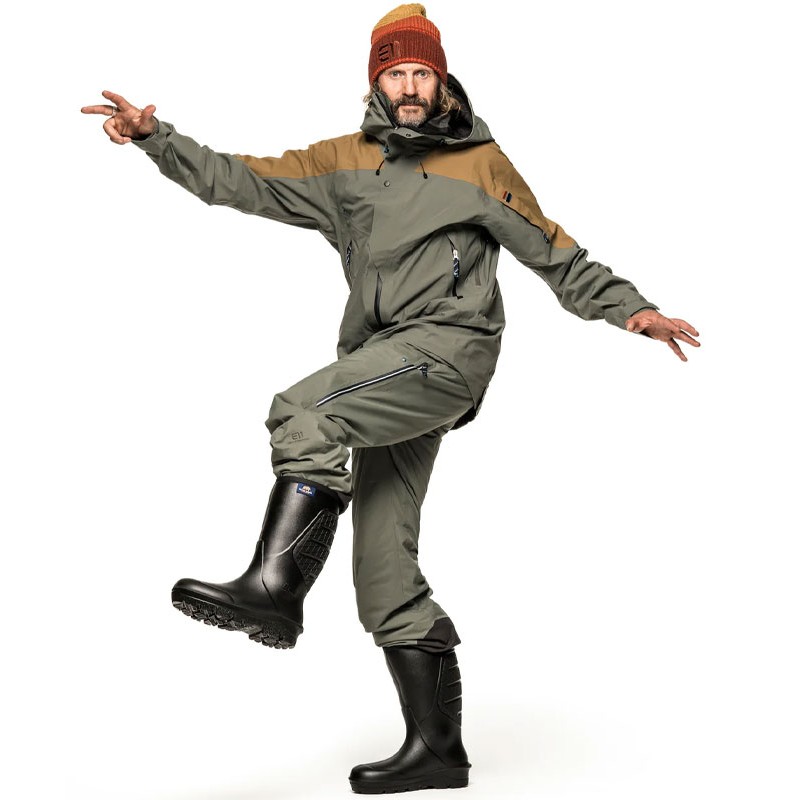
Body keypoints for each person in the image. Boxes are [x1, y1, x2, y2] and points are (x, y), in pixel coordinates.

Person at [81, 3, 699, 793]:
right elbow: (241, 180)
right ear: (377, 83)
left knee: (304, 413)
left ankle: (275, 587)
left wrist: (631, 309)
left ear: (442, 83)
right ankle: (438, 750)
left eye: (421, 74)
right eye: (396, 73)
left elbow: (553, 250)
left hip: (448, 353)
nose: (409, 87)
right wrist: (155, 138)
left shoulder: (480, 164)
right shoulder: (343, 163)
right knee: (381, 564)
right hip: (383, 368)